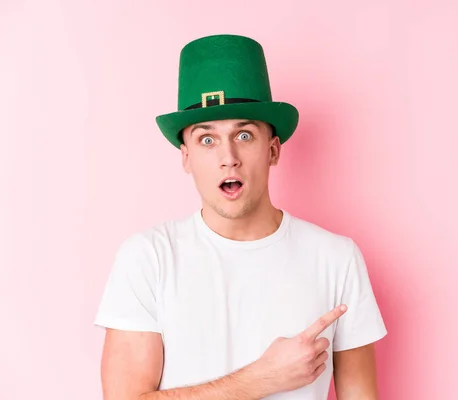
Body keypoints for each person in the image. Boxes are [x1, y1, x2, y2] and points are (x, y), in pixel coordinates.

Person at [94, 34, 387, 399]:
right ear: (186, 158)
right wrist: (260, 379)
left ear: (273, 149)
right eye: (206, 139)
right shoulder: (147, 257)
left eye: (244, 134)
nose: (228, 156)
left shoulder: (337, 258)